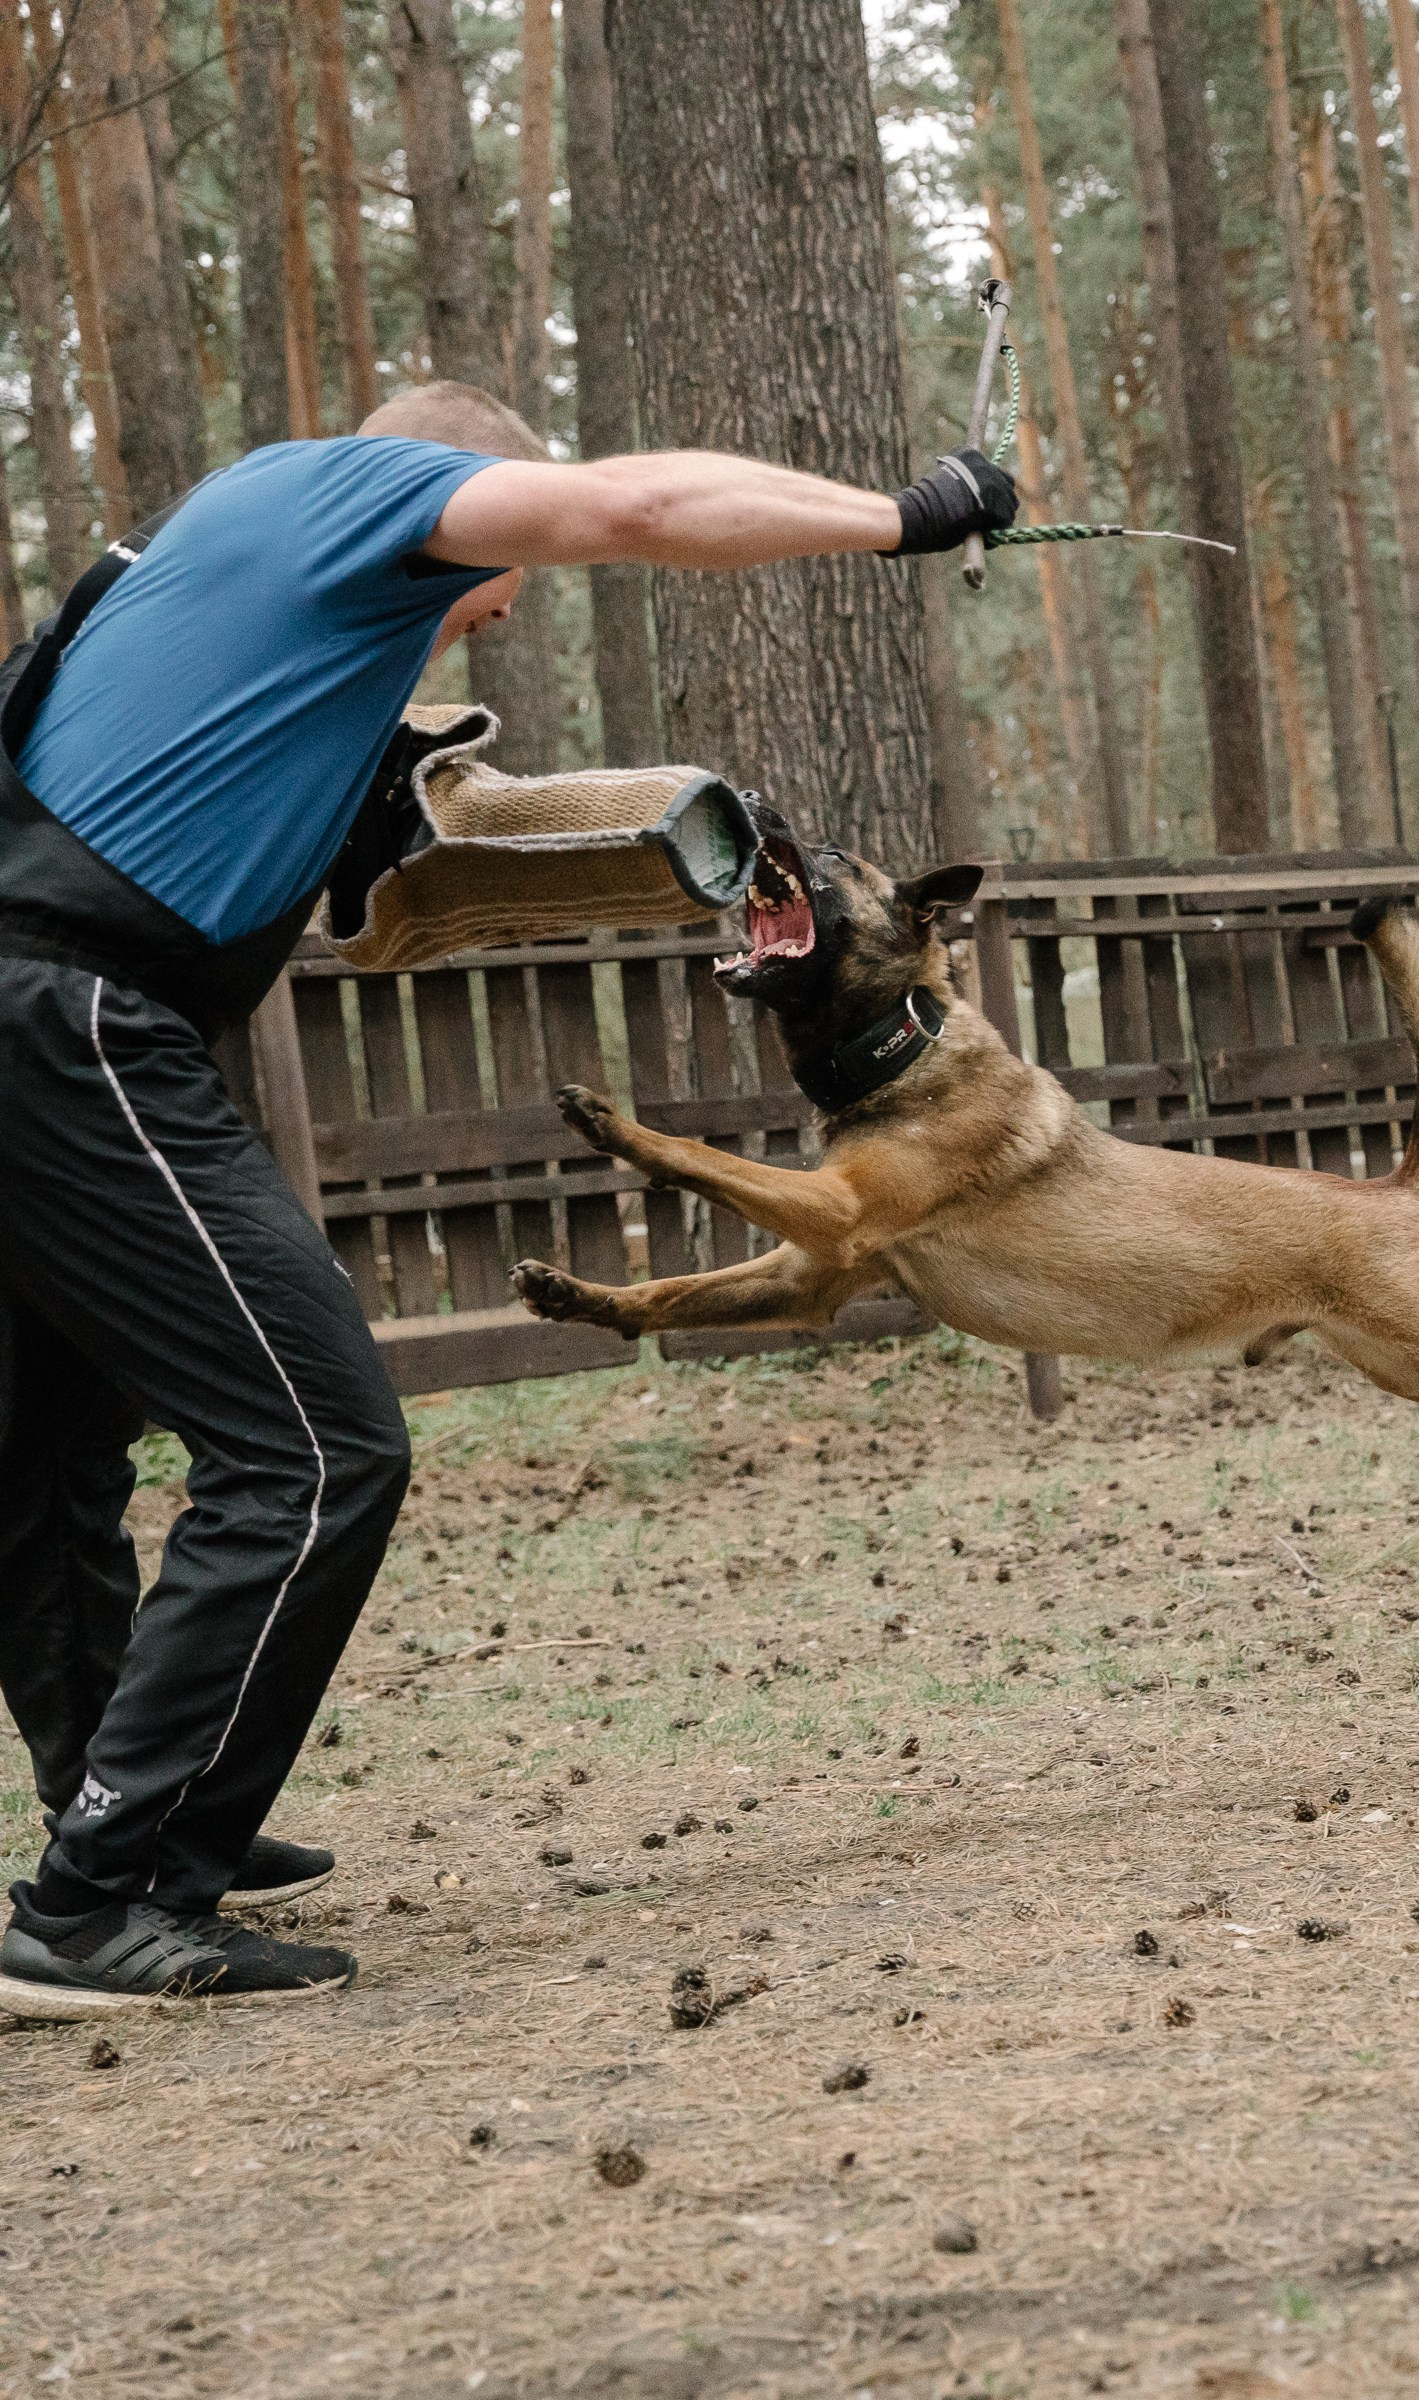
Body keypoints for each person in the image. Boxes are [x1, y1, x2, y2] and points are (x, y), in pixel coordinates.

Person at [0, 384, 1016, 2017]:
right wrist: (909, 513)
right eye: (498, 579)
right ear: (471, 486)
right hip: (66, 1015)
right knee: (322, 1448)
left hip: (44, 1002)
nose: (491, 610)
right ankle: (101, 1899)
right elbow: (646, 508)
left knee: (48, 1448)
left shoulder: (240, 541)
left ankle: (114, 1806)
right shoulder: (373, 495)